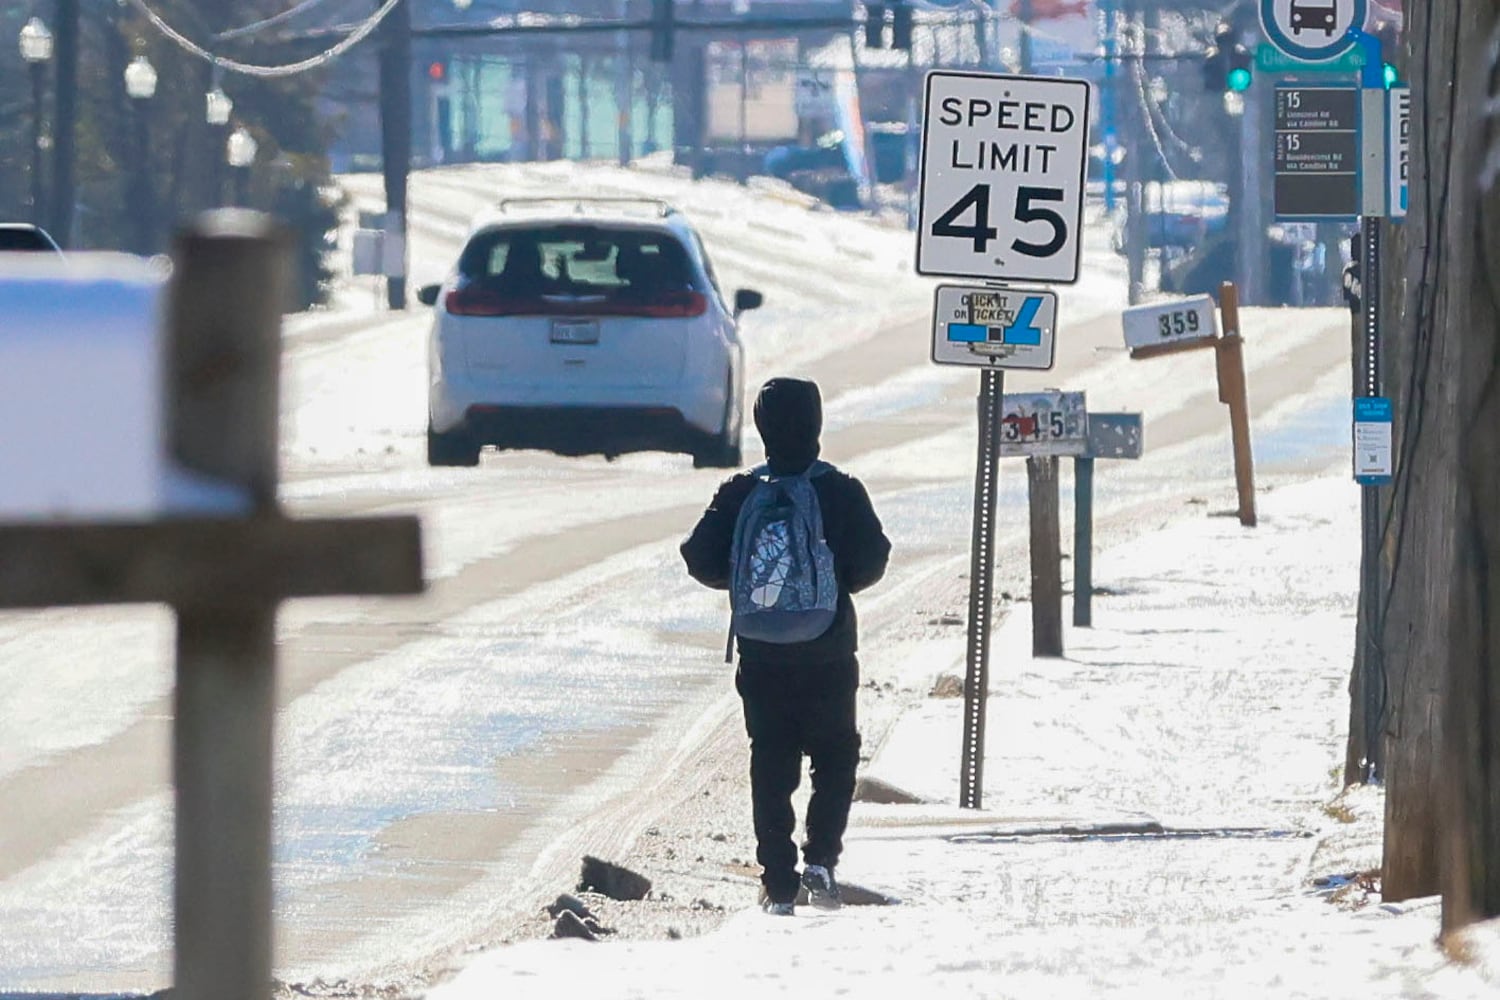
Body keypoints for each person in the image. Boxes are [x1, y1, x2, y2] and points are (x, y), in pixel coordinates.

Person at [680, 377, 891, 916]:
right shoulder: (840, 490)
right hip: (828, 648)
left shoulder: (739, 493)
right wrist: (829, 585)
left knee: (770, 759)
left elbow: (698, 557)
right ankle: (820, 863)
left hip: (761, 653)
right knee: (836, 755)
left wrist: (752, 583)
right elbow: (873, 559)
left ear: (761, 427)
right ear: (817, 424)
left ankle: (777, 881)